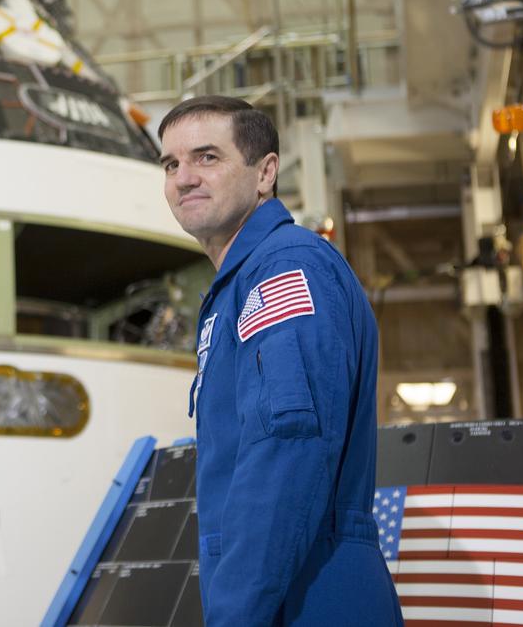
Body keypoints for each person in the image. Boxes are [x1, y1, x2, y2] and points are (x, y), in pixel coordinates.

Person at [158, 96, 402, 626]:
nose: (183, 178)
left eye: (207, 157)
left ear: (265, 172)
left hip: (308, 593)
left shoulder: (283, 271)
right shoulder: (238, 287)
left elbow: (286, 451)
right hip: (277, 589)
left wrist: (234, 613)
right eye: (171, 164)